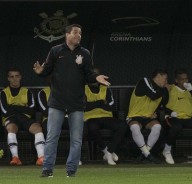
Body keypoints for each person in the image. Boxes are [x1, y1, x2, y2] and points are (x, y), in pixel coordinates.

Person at [33, 24, 110, 177]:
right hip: (57, 102)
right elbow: (46, 70)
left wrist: (96, 77)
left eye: (80, 33)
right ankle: (47, 169)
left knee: (76, 140)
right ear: (67, 34)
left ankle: (71, 170)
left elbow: (89, 74)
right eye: (75, 32)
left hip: (77, 103)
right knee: (52, 137)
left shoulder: (85, 53)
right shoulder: (56, 51)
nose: (78, 35)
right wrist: (40, 72)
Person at [0, 67, 45, 166]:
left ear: (20, 77)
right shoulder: (3, 93)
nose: (14, 79)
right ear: (8, 78)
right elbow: (4, 111)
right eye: (12, 77)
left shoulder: (27, 92)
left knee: (37, 127)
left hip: (25, 118)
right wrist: (23, 107)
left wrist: (13, 107)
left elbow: (32, 110)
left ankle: (41, 157)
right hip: (10, 119)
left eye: (17, 76)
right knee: (11, 128)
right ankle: (15, 158)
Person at [162, 68, 192, 164]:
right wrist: (170, 112)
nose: (185, 81)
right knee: (176, 127)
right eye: (182, 79)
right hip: (174, 118)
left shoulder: (191, 91)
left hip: (188, 119)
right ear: (176, 80)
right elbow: (161, 104)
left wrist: (191, 91)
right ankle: (166, 151)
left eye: (186, 79)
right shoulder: (170, 89)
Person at [84, 68, 127, 165]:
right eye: (93, 75)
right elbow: (84, 107)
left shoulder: (105, 87)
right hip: (90, 118)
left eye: (97, 75)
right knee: (92, 127)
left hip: (106, 116)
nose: (95, 78)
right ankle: (106, 151)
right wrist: (101, 103)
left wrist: (93, 104)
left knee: (122, 126)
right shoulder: (83, 88)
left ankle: (109, 151)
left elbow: (111, 106)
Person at [127, 69, 168, 163]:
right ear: (158, 76)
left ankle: (145, 154)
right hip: (135, 116)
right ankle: (148, 155)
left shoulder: (162, 90)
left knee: (157, 126)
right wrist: (165, 88)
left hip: (149, 117)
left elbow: (163, 103)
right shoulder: (144, 81)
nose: (166, 82)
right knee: (134, 127)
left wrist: (156, 112)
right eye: (165, 79)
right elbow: (153, 95)